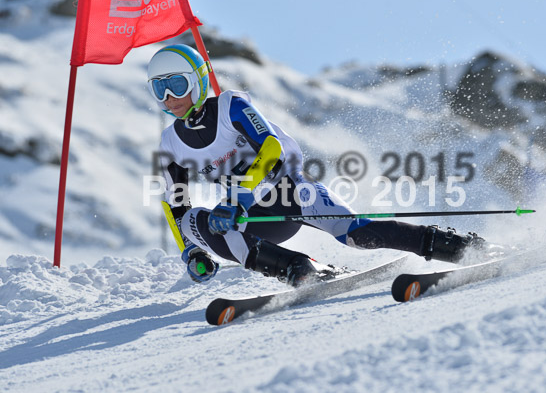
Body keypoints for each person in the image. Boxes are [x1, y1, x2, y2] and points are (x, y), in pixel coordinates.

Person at [147, 44, 485, 287]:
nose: (169, 97)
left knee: (356, 235)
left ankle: (459, 247)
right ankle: (300, 269)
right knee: (197, 221)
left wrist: (239, 196)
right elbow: (175, 204)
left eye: (177, 84)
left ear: (199, 80)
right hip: (253, 221)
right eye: (159, 89)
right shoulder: (171, 142)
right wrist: (191, 252)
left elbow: (272, 149)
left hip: (290, 192)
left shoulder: (231, 105)